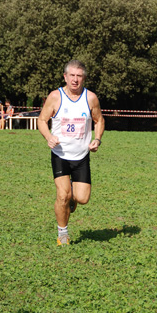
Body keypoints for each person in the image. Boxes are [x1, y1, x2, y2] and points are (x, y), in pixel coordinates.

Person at [38, 60, 105, 245]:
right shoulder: (55, 97)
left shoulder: (90, 98)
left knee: (82, 198)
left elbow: (99, 120)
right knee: (62, 195)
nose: (75, 80)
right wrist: (48, 136)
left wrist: (97, 139)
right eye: (72, 76)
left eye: (79, 76)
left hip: (82, 156)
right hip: (60, 154)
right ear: (65, 77)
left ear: (83, 78)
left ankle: (72, 200)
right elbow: (42, 120)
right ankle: (63, 235)